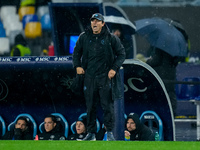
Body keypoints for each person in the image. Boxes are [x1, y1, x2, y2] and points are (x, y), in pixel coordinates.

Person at [72, 13, 126, 141]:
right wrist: (77, 66)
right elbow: (76, 53)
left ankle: (110, 133)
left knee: (107, 106)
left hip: (104, 77)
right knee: (90, 106)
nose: (94, 23)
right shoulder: (84, 37)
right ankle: (91, 133)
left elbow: (122, 53)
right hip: (89, 77)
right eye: (93, 21)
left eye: (97, 21)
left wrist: (114, 68)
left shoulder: (110, 38)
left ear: (103, 24)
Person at [146, 47, 181, 116]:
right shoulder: (175, 48)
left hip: (161, 75)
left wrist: (148, 61)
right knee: (170, 93)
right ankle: (172, 112)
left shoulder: (160, 47)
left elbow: (156, 60)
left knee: (159, 94)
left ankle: (159, 113)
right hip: (171, 74)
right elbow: (177, 60)